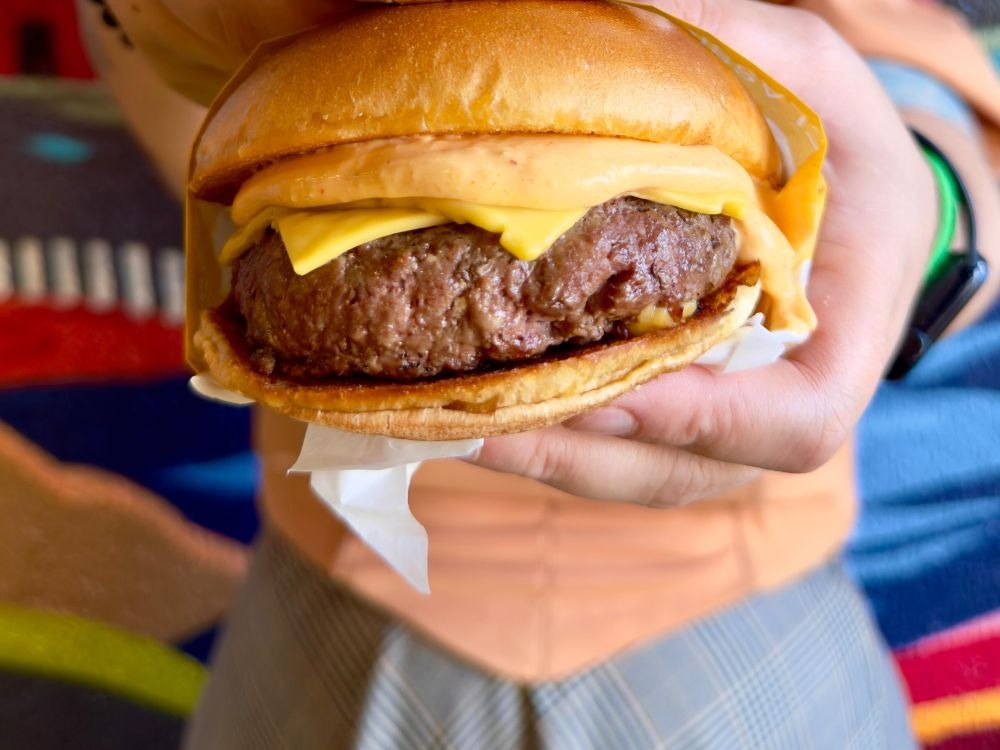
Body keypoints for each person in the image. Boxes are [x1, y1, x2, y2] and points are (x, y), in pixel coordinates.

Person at [80, 0, 1000, 747]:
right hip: (327, 588)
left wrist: (929, 209)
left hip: (744, 603)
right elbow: (182, 98)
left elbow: (912, 75)